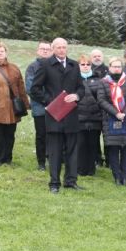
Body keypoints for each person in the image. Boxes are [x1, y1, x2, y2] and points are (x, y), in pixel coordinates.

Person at [30, 37, 85, 193]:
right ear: (53, 49)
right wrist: (51, 101)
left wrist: (77, 96)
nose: (62, 50)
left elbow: (81, 88)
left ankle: (71, 181)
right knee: (54, 151)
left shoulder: (74, 65)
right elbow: (35, 89)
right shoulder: (45, 65)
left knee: (72, 150)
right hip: (54, 115)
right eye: (58, 47)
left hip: (72, 115)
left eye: (64, 47)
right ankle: (54, 183)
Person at [96, 56, 126, 185]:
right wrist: (116, 113)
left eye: (119, 66)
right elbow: (101, 100)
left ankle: (125, 177)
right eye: (114, 66)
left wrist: (125, 112)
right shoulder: (103, 82)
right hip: (110, 119)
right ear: (109, 68)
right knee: (113, 149)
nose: (117, 69)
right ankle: (117, 177)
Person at [24, 40, 52, 171]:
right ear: (38, 51)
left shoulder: (55, 66)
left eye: (47, 49)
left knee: (54, 135)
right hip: (40, 108)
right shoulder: (32, 67)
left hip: (56, 108)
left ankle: (53, 159)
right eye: (42, 49)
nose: (45, 51)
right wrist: (47, 100)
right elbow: (30, 88)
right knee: (41, 135)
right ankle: (41, 162)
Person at [76, 54, 104, 176]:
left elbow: (102, 98)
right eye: (83, 64)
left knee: (93, 144)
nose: (86, 66)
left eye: (88, 64)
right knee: (80, 144)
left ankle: (91, 169)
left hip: (94, 118)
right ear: (78, 66)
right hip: (79, 118)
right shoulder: (74, 80)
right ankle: (81, 169)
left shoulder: (98, 80)